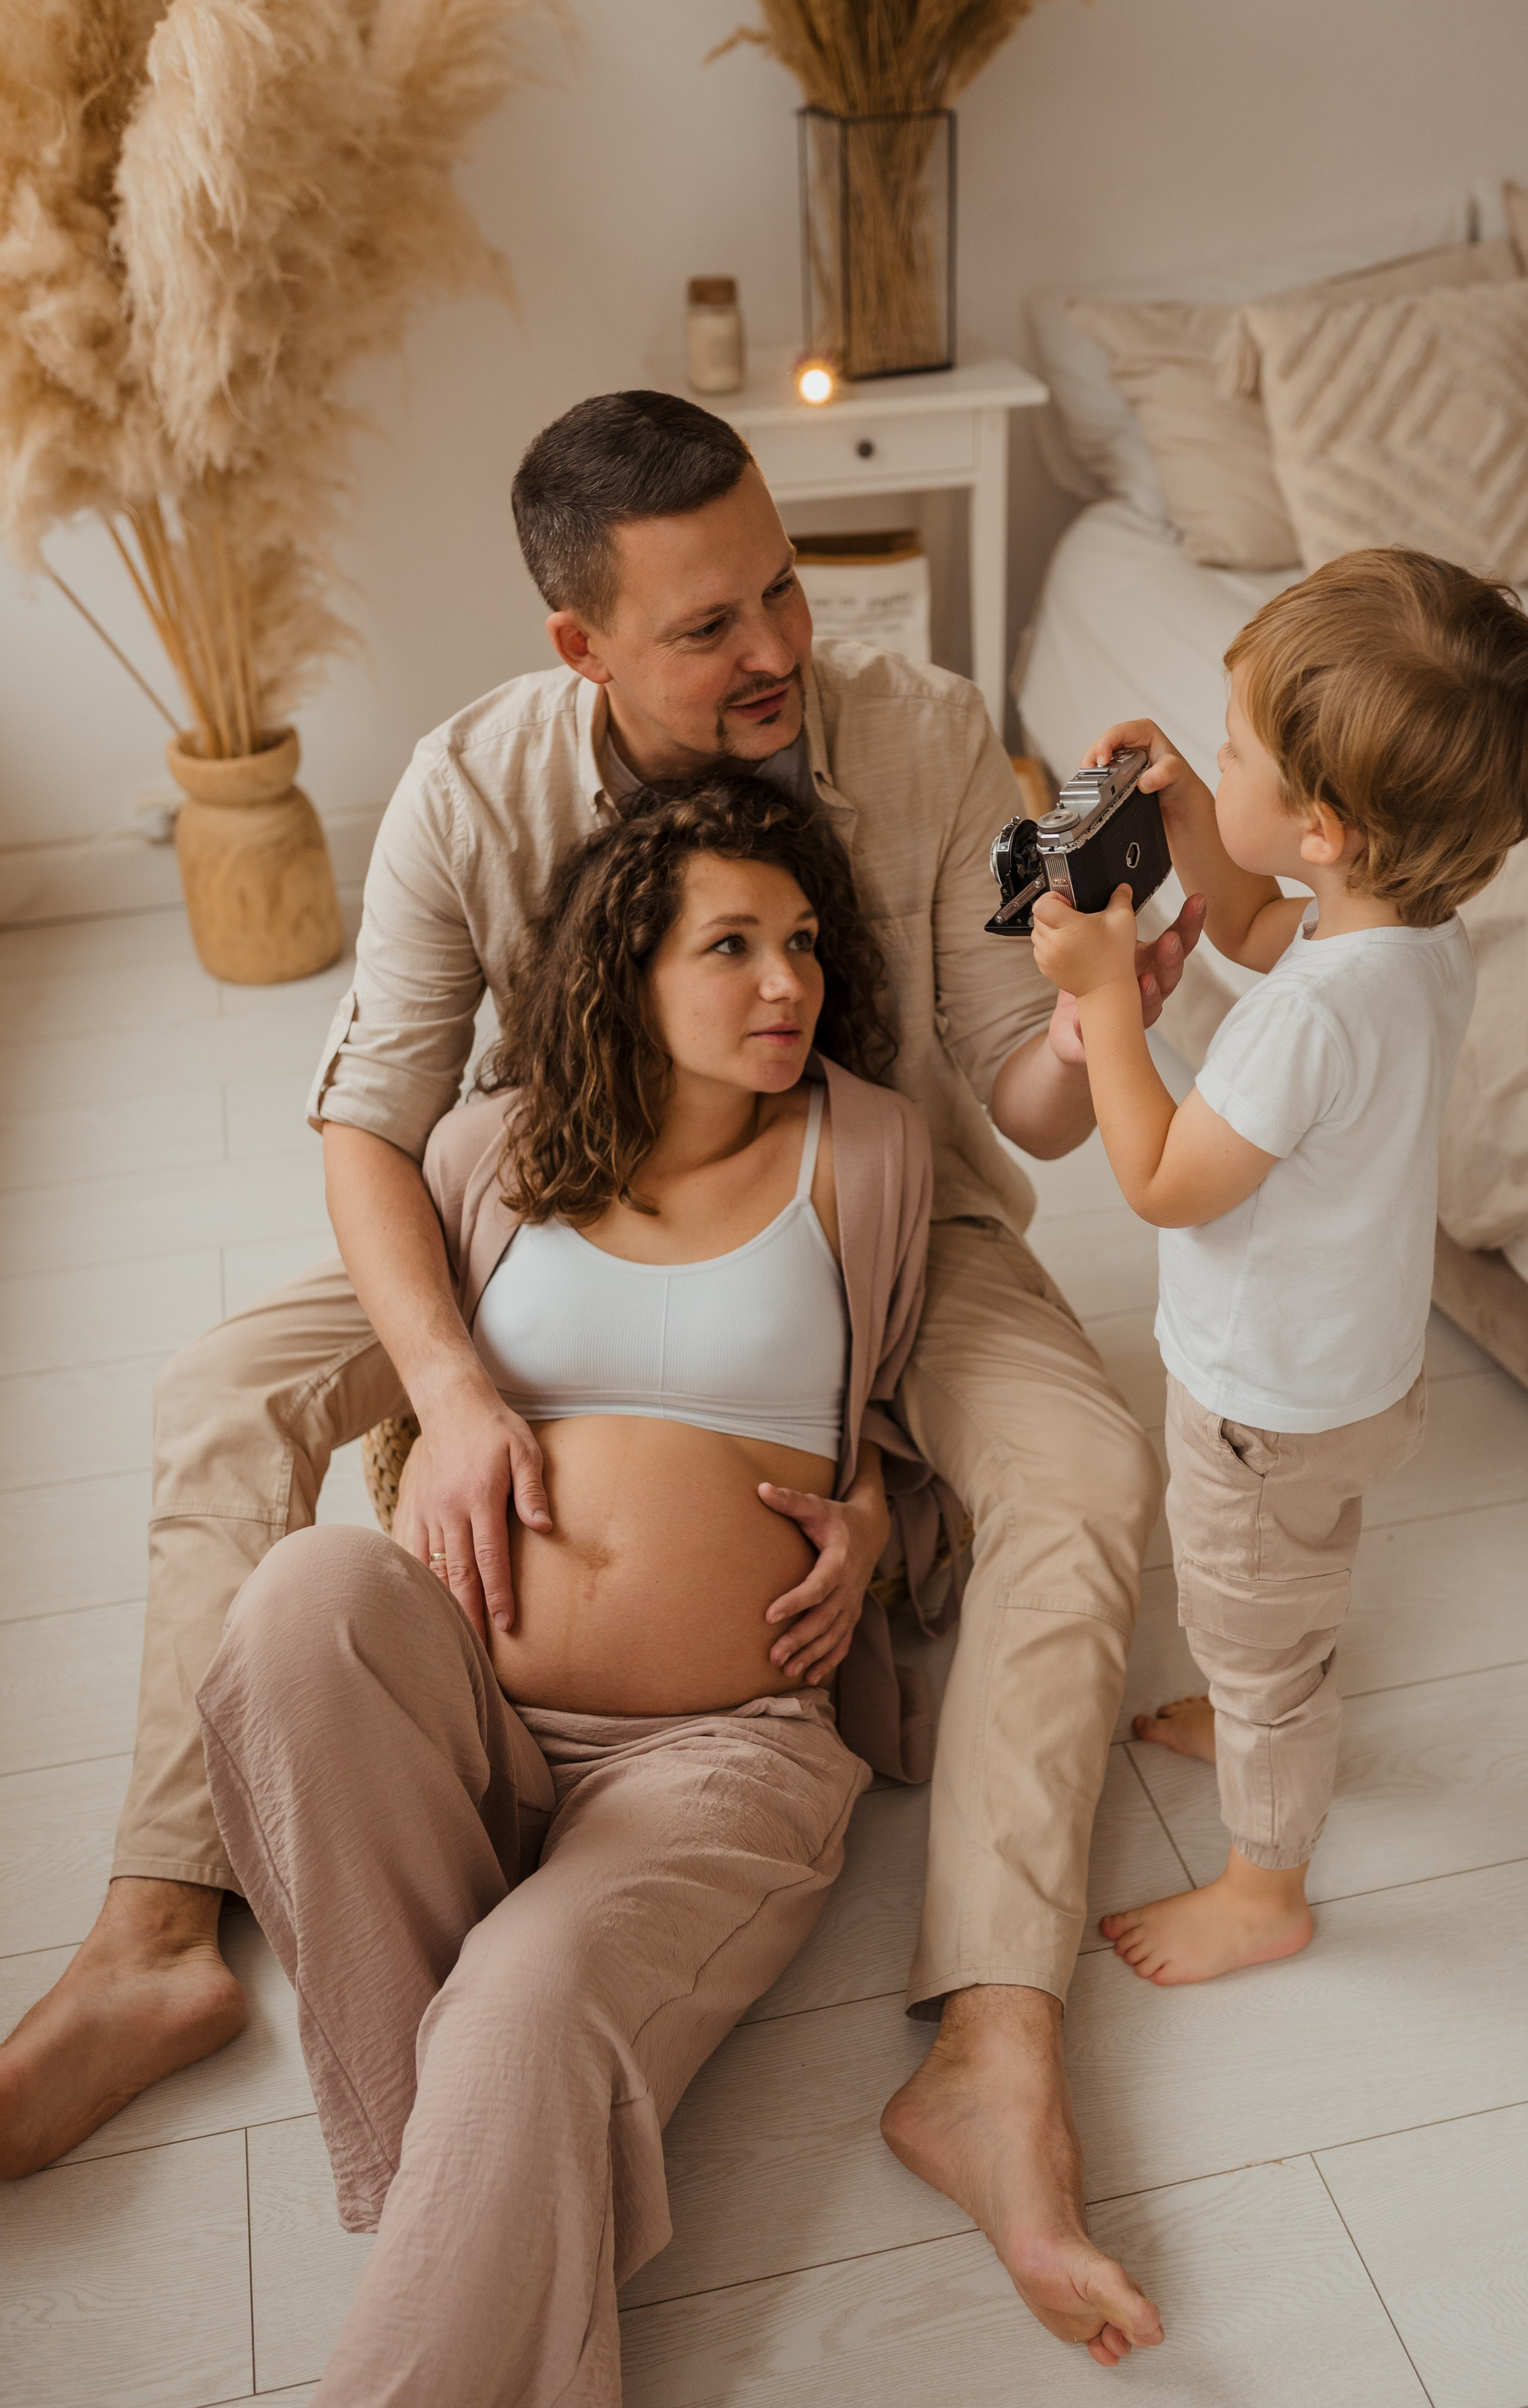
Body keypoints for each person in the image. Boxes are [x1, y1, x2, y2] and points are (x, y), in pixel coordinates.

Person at [1, 390, 1197, 2364]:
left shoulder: (915, 724)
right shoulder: (473, 786)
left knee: (1081, 1468)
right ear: (583, 646)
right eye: (712, 627)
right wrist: (456, 1391)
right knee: (224, 1387)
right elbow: (373, 1121)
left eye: (786, 594)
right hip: (545, 1211)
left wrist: (1101, 1015)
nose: (779, 653)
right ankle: (153, 1941)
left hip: (893, 1224)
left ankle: (992, 2046)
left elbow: (1021, 1098)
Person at [196, 776, 933, 2404]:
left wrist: (868, 1517)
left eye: (802, 944)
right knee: (302, 1596)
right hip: (473, 1717)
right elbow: (422, 1387)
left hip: (718, 1752)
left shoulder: (865, 1148)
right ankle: (469, 2176)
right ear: (627, 967)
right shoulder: (487, 1155)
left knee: (524, 2013)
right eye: (730, 945)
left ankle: (451, 2200)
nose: (786, 983)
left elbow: (866, 1410)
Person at [1028, 548, 1528, 1987]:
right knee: (1291, 1588)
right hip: (1354, 1385)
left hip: (1256, 1408)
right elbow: (1268, 926)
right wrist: (1197, 815)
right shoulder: (1412, 942)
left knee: (1251, 1619)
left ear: (1323, 825)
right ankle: (1258, 1689)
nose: (1210, 762)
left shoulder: (1295, 1030)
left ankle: (1266, 1879)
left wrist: (1101, 1000)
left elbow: (1155, 1181)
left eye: (1230, 749)